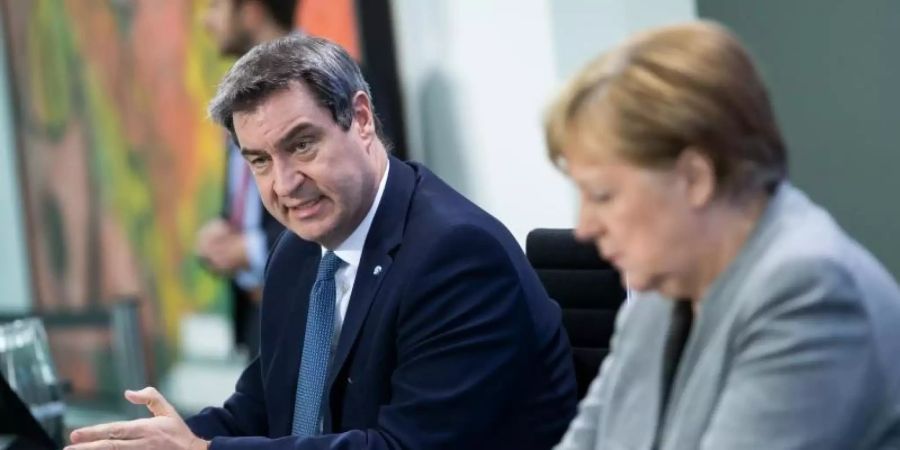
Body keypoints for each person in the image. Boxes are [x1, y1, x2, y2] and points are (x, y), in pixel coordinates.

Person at [66, 35, 578, 450]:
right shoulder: (298, 253)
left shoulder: (457, 255)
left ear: (360, 119)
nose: (284, 183)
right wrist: (163, 439)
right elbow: (265, 407)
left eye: (301, 144)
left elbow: (404, 447)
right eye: (260, 161)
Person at [545, 20, 900, 449]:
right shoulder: (663, 288)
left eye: (602, 195)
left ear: (695, 178)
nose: (585, 227)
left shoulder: (806, 291)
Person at [196, 0, 296, 359]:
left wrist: (251, 249)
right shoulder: (242, 92)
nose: (206, 22)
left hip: (317, 312)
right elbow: (248, 198)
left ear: (251, 10)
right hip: (261, 318)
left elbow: (355, 202)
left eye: (214, 7)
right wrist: (222, 232)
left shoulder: (326, 82)